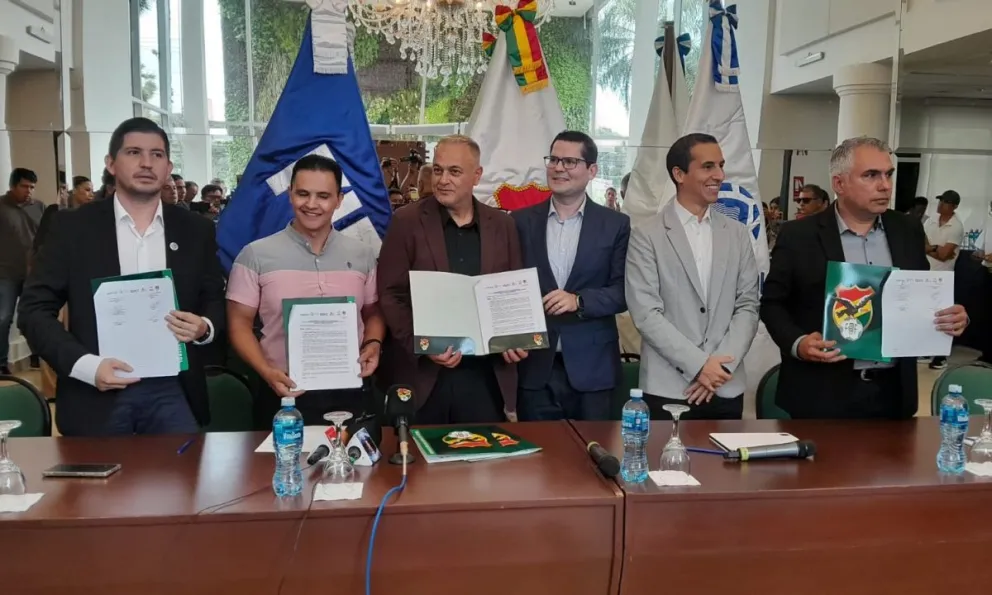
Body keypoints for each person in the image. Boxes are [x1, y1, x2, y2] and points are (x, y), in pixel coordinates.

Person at [17, 117, 227, 436]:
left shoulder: (196, 230)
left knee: (182, 485)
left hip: (175, 391)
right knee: (98, 487)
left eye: (156, 155)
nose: (146, 163)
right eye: (133, 152)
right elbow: (34, 311)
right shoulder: (72, 228)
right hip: (96, 391)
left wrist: (204, 327)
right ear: (111, 163)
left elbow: (213, 297)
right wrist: (86, 365)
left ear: (168, 166)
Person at [761, 137, 969, 419]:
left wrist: (952, 317)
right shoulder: (800, 235)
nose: (885, 185)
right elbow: (772, 304)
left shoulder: (907, 230)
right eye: (871, 175)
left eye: (888, 174)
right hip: (821, 393)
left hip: (893, 395)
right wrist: (798, 343)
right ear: (839, 183)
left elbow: (919, 296)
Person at [226, 155, 385, 427]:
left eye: (323, 196)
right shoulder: (255, 255)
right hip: (282, 390)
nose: (311, 205)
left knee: (357, 468)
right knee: (279, 468)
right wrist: (266, 371)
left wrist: (373, 344)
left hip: (350, 389)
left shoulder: (363, 255)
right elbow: (238, 322)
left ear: (339, 200)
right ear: (290, 195)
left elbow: (373, 312)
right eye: (303, 194)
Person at [378, 134, 524, 424]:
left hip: (485, 377)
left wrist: (515, 338)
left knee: (481, 464)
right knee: (420, 465)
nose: (443, 179)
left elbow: (513, 292)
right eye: (438, 169)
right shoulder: (406, 222)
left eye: (454, 172)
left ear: (477, 176)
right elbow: (390, 294)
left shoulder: (504, 225)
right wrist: (423, 345)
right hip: (424, 379)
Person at [625, 133, 759, 420]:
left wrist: (719, 369)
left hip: (726, 384)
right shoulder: (647, 234)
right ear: (679, 174)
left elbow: (748, 305)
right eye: (708, 166)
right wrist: (700, 366)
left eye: (721, 166)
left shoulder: (736, 233)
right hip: (668, 388)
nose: (720, 175)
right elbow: (646, 313)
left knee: (726, 465)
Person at [511, 131, 630, 421]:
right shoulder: (519, 222)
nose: (558, 168)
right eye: (553, 159)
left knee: (592, 460)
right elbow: (507, 286)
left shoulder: (615, 224)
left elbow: (623, 292)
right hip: (534, 366)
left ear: (592, 170)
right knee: (537, 461)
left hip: (593, 370)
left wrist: (579, 301)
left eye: (569, 161)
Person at [0, 168, 43, 374]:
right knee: (3, 317)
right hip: (5, 274)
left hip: (33, 274)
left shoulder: (39, 207)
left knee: (34, 317)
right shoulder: (1, 206)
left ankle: (38, 359)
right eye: (24, 186)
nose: (29, 191)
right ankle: (1, 363)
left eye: (32, 187)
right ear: (12, 186)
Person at [923, 190, 964, 370]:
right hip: (925, 273)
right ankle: (925, 349)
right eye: (940, 201)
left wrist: (931, 249)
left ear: (954, 206)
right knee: (924, 313)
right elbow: (920, 244)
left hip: (944, 276)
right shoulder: (930, 221)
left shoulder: (956, 226)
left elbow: (945, 255)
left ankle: (940, 357)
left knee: (943, 316)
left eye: (945, 202)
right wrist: (935, 249)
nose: (940, 205)